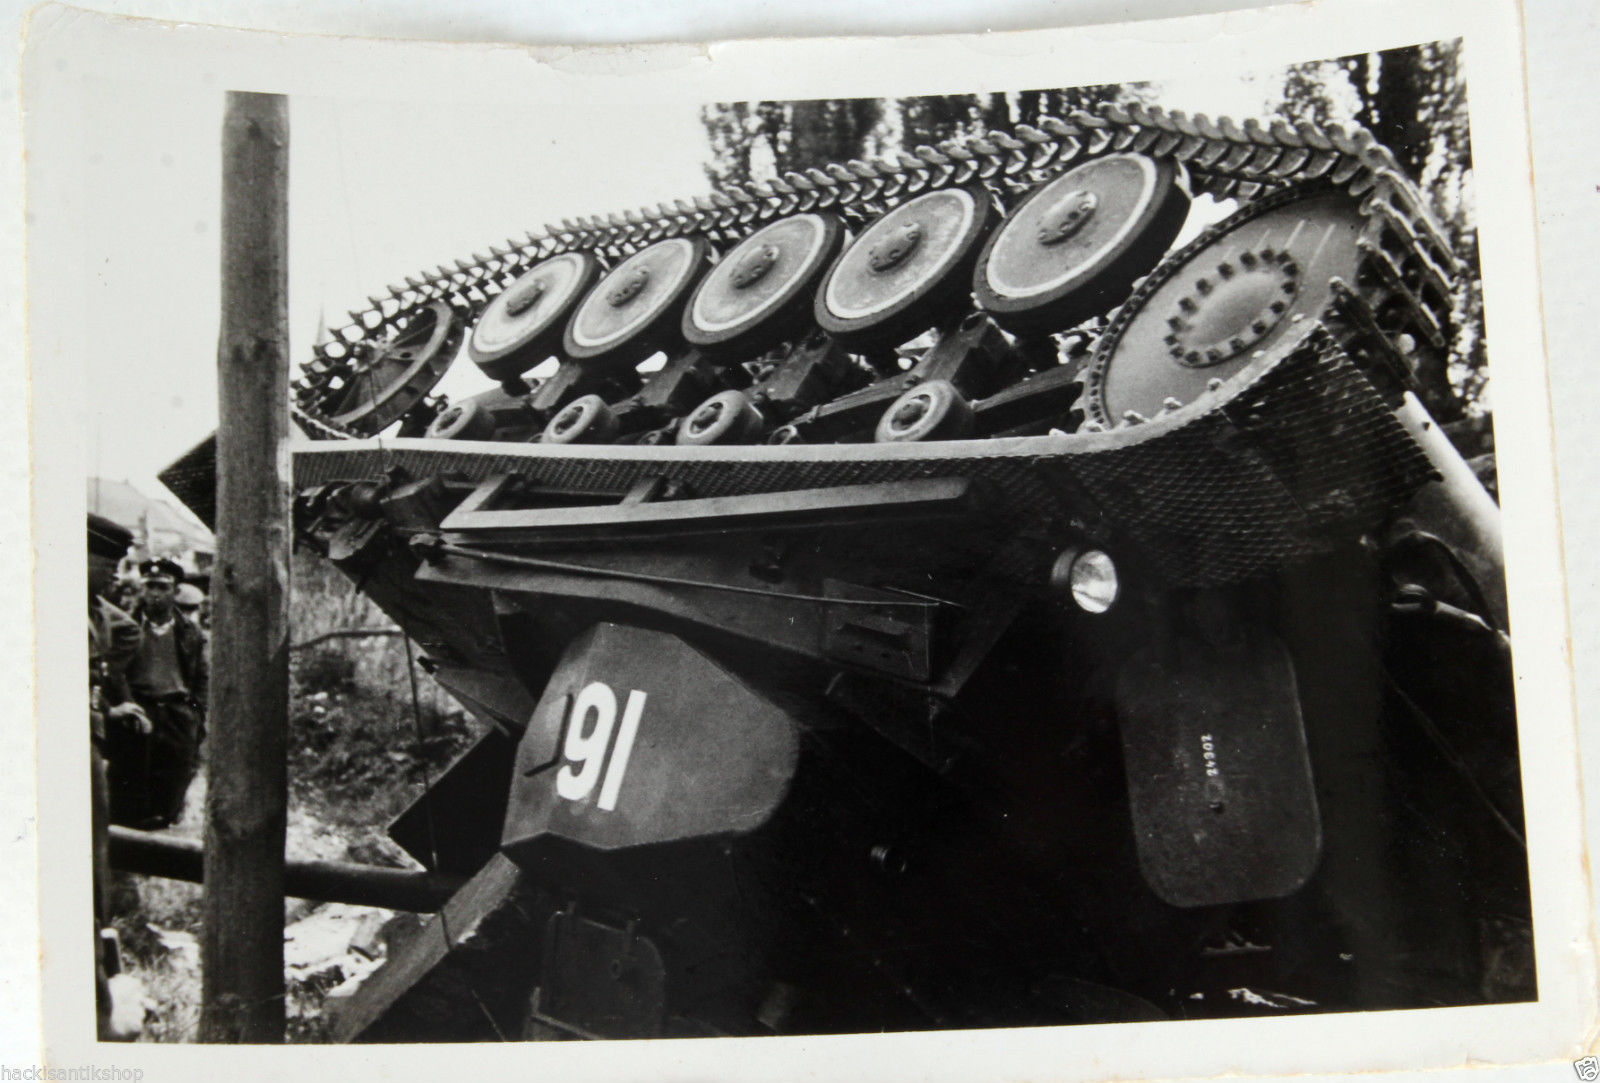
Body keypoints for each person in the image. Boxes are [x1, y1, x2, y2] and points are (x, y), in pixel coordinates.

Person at [87, 514, 147, 1040]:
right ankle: (97, 1016)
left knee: (94, 866)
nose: (115, 574)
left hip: (87, 743)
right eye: (106, 563)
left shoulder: (91, 613)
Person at [108, 556, 208, 830]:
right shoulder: (126, 626)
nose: (155, 593)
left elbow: (201, 678)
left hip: (176, 712)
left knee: (172, 782)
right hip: (138, 708)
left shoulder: (190, 632)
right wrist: (127, 703)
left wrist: (196, 718)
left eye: (163, 587)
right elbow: (114, 671)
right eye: (149, 586)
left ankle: (164, 834)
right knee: (130, 781)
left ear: (175, 591)